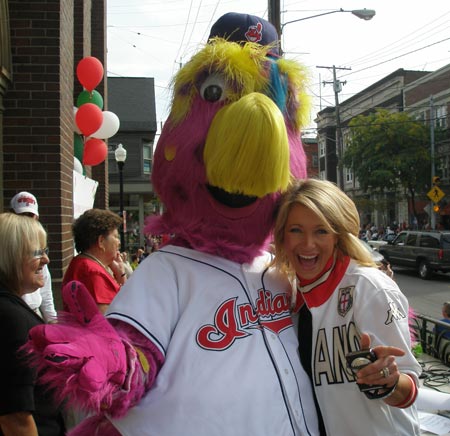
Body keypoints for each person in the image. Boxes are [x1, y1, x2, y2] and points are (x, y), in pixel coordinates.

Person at [273, 179, 421, 436]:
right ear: (282, 235)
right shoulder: (288, 292)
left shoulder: (370, 288)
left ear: (339, 236)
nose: (308, 244)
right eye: (296, 230)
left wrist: (389, 382)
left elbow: (409, 387)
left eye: (321, 231)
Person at [0, 213, 66, 435]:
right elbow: (15, 417)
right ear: (12, 255)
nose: (46, 260)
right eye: (38, 252)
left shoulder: (11, 309)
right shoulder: (12, 318)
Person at [63, 208, 127, 314]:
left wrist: (120, 275)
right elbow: (106, 321)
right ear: (101, 241)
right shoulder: (93, 273)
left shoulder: (83, 264)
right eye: (115, 237)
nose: (118, 242)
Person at [10, 191, 57, 322]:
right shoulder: (6, 250)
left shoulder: (39, 247)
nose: (45, 260)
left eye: (30, 215)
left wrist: (52, 321)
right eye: (22, 215)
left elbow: (46, 291)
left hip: (33, 312)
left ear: (36, 218)